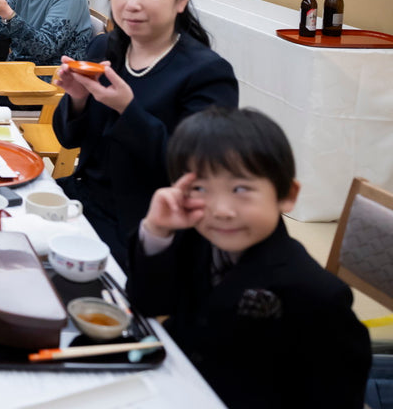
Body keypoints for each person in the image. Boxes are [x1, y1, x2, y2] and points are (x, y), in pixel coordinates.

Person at [128, 107, 371, 409]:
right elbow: (148, 304)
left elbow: (337, 398)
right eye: (200, 188)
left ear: (287, 195)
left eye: (240, 188)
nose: (221, 210)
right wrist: (156, 230)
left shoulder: (317, 294)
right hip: (177, 383)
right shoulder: (193, 236)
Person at [52, 0, 239, 268]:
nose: (131, 3)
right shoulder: (103, 50)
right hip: (82, 202)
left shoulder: (208, 73)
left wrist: (127, 109)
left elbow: (195, 172)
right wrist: (77, 100)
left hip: (146, 226)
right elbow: (68, 139)